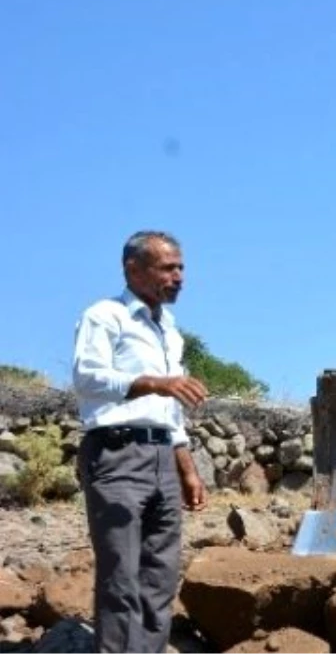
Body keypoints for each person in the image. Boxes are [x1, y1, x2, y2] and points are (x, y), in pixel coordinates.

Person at [72, 230, 209, 653]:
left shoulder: (169, 328)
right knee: (120, 576)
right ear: (133, 269)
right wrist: (152, 382)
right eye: (168, 268)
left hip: (162, 457)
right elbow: (86, 377)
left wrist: (186, 467)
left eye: (181, 267)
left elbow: (170, 408)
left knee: (160, 575)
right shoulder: (104, 315)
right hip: (116, 455)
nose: (179, 276)